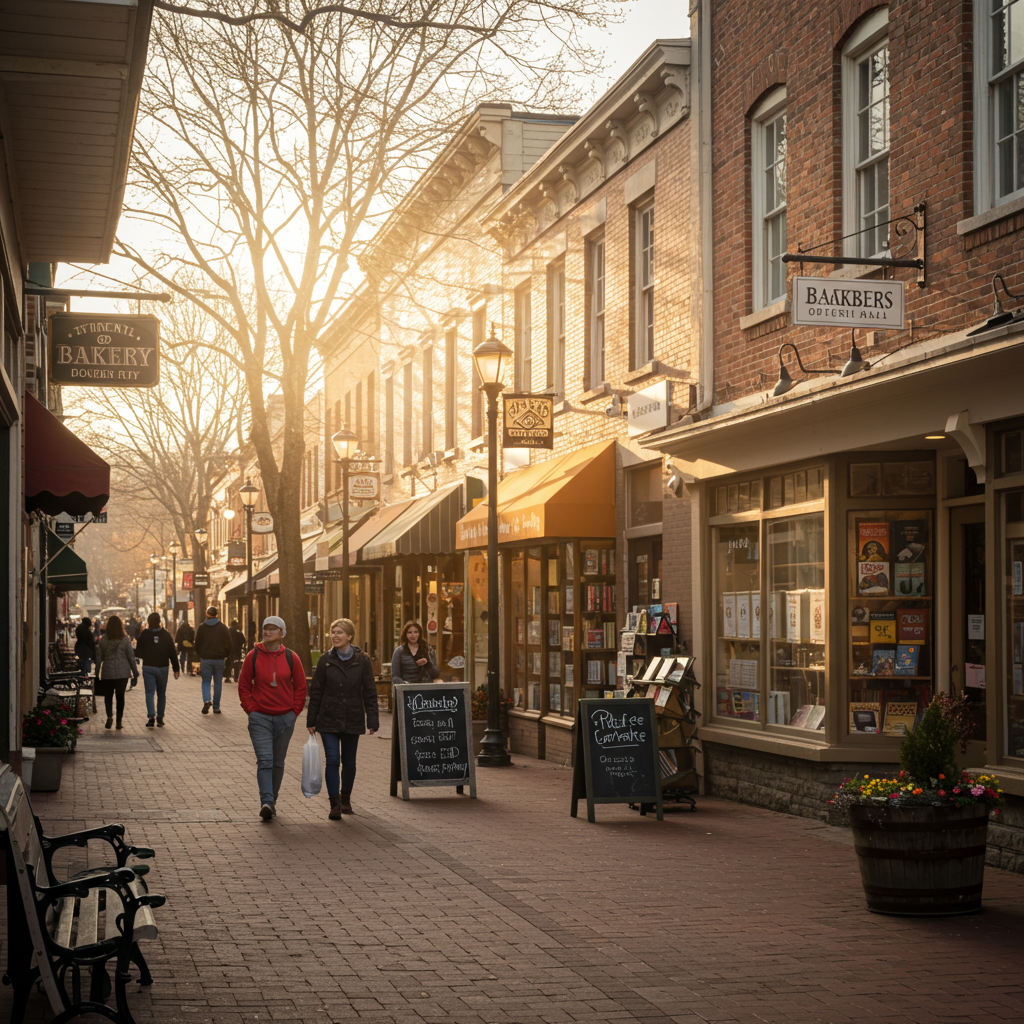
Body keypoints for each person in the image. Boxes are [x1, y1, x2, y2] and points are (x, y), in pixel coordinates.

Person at [307, 618, 378, 819]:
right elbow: (317, 691)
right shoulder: (325, 660)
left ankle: (346, 799)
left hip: (353, 716)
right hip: (328, 717)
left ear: (349, 636)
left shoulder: (362, 661)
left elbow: (370, 692)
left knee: (349, 761)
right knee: (333, 760)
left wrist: (372, 719)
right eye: (333, 632)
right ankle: (334, 804)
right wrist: (311, 720)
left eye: (339, 632)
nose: (335, 636)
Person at [237, 615, 307, 821]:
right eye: (265, 628)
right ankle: (266, 801)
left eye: (273, 629)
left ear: (281, 634)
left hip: (285, 718)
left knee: (278, 763)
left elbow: (301, 687)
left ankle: (272, 800)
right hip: (261, 719)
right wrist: (251, 709)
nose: (267, 632)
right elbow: (243, 685)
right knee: (265, 761)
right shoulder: (253, 656)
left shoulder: (291, 658)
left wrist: (294, 712)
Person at [136, 612, 180, 728]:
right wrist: (176, 668)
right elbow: (172, 652)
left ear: (149, 622)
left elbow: (139, 652)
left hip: (148, 667)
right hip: (163, 667)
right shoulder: (166, 635)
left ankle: (151, 717)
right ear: (159, 621)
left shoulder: (144, 634)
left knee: (149, 693)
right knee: (161, 693)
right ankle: (160, 717)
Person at [94, 615, 138, 730]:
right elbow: (131, 658)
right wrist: (135, 673)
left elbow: (99, 659)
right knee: (120, 697)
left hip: (107, 672)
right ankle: (119, 721)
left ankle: (109, 717)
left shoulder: (103, 640)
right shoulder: (125, 640)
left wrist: (96, 673)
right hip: (122, 673)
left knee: (108, 696)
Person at [194, 604, 232, 714]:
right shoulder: (223, 627)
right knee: (218, 683)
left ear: (207, 614)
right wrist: (226, 655)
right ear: (217, 615)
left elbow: (197, 644)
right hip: (219, 658)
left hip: (206, 658)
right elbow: (229, 644)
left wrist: (200, 654)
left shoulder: (202, 627)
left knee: (205, 681)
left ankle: (206, 700)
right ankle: (216, 707)